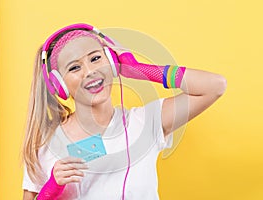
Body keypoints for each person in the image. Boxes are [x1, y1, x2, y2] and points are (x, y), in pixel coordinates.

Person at [22, 24, 227, 200]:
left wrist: (139, 69)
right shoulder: (48, 143)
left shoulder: (147, 121)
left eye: (95, 59)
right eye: (74, 67)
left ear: (111, 62)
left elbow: (215, 86)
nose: (90, 71)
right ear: (59, 84)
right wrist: (52, 188)